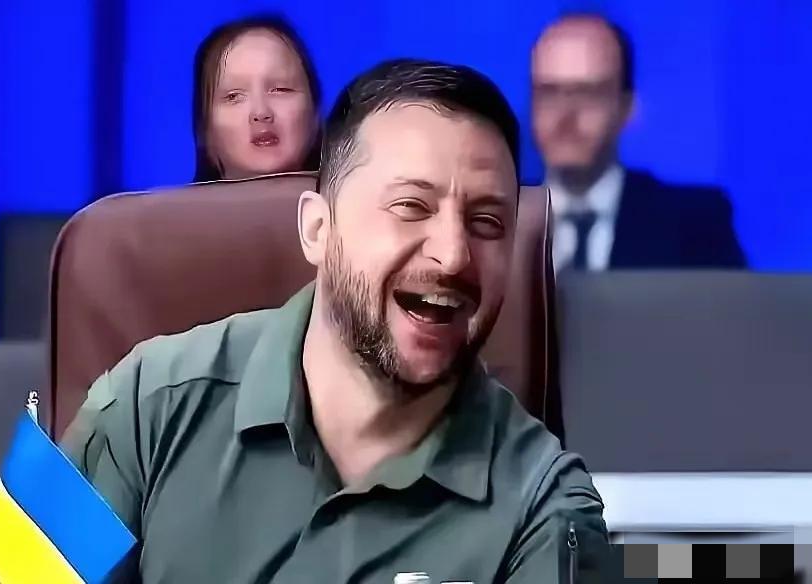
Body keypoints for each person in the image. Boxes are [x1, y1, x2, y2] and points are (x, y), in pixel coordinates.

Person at [63, 59, 612, 582]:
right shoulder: (137, 403)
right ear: (317, 230)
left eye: (486, 222)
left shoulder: (551, 508)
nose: (453, 255)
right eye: (411, 207)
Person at [531, 13, 747, 271]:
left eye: (588, 93)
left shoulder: (697, 226)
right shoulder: (498, 221)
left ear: (626, 107)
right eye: (548, 92)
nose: (566, 114)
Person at [192, 15, 322, 182]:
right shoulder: (167, 200)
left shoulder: (349, 199)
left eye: (280, 89)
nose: (261, 112)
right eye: (233, 96)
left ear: (316, 113)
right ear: (205, 130)